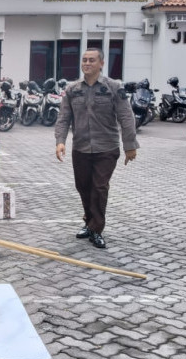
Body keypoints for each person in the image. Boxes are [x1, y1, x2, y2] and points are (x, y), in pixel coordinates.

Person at [54, 48, 138, 249]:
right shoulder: (73, 89)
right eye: (84, 60)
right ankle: (89, 222)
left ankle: (97, 229)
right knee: (83, 187)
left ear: (101, 63)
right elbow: (64, 117)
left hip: (106, 148)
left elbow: (126, 117)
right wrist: (60, 141)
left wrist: (130, 145)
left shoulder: (113, 87)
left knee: (99, 187)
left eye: (92, 60)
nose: (87, 63)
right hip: (81, 147)